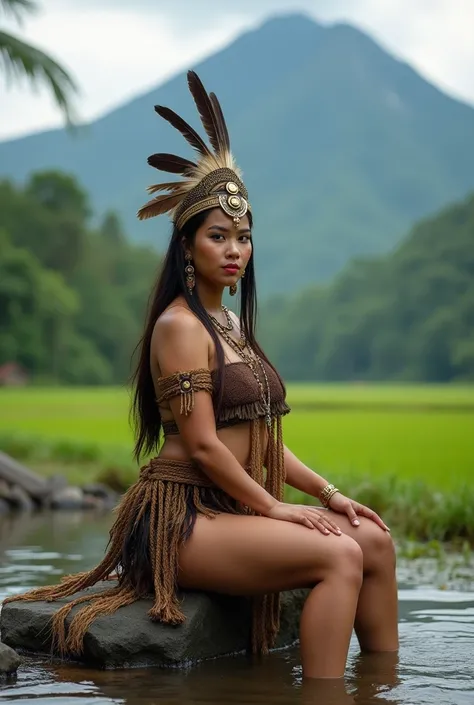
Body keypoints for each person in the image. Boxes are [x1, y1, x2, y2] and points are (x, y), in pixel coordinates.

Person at [4, 70, 398, 679]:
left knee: (373, 539)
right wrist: (275, 509)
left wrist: (327, 494)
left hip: (232, 507)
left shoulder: (232, 325)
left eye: (243, 237)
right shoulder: (181, 326)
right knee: (340, 555)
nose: (235, 249)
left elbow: (266, 440)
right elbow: (207, 445)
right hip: (186, 517)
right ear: (188, 247)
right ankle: (327, 696)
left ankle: (383, 686)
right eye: (219, 236)